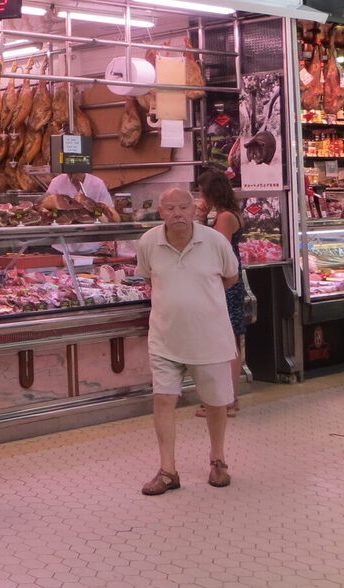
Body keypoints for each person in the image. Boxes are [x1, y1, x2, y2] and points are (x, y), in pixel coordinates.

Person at [135, 187, 239, 496]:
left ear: (195, 210)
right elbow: (148, 277)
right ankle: (168, 471)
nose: (177, 213)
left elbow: (231, 276)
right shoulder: (148, 242)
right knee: (163, 399)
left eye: (184, 207)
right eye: (170, 208)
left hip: (210, 336)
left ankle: (218, 460)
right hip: (165, 337)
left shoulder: (215, 241)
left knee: (216, 402)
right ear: (161, 211)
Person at [195, 170, 246, 418]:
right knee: (231, 340)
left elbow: (218, 249)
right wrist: (204, 219)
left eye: (202, 191)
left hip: (226, 282)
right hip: (232, 280)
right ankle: (227, 399)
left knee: (227, 342)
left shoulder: (225, 217)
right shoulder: (231, 213)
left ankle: (227, 401)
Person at [40, 171, 119, 254]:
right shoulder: (57, 182)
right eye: (69, 172)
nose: (72, 175)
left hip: (91, 247)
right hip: (61, 247)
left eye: (76, 172)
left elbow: (107, 212)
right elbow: (47, 205)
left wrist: (92, 210)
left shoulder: (97, 183)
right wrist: (56, 217)